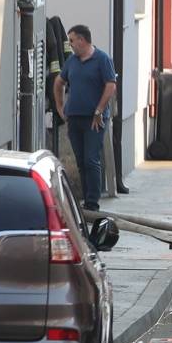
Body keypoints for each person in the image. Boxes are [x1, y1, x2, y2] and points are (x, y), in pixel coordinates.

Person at [51, 25, 117, 211]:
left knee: (91, 159)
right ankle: (85, 199)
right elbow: (59, 82)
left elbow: (110, 85)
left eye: (72, 40)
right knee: (80, 161)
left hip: (94, 119)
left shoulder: (102, 59)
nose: (70, 45)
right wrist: (60, 106)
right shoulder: (72, 61)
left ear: (82, 40)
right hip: (74, 117)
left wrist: (99, 110)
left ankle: (92, 202)